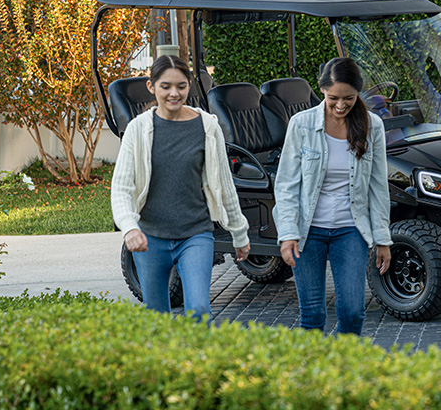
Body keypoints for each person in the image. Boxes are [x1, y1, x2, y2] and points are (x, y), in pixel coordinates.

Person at [111, 55, 251, 321]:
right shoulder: (137, 130)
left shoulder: (207, 126)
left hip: (195, 234)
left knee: (199, 310)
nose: (174, 93)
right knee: (157, 317)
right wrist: (130, 228)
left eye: (181, 86)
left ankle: (199, 363)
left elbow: (224, 184)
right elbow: (121, 188)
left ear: (189, 86)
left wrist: (239, 233)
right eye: (166, 86)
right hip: (150, 238)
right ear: (151, 86)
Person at [273, 57, 392, 336]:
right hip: (307, 230)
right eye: (333, 98)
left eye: (348, 98)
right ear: (322, 90)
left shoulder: (372, 126)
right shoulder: (301, 124)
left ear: (358, 93)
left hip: (351, 229)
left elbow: (378, 186)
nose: (341, 105)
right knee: (313, 314)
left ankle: (341, 369)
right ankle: (314, 374)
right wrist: (288, 233)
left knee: (352, 312)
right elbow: (287, 184)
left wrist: (383, 239)